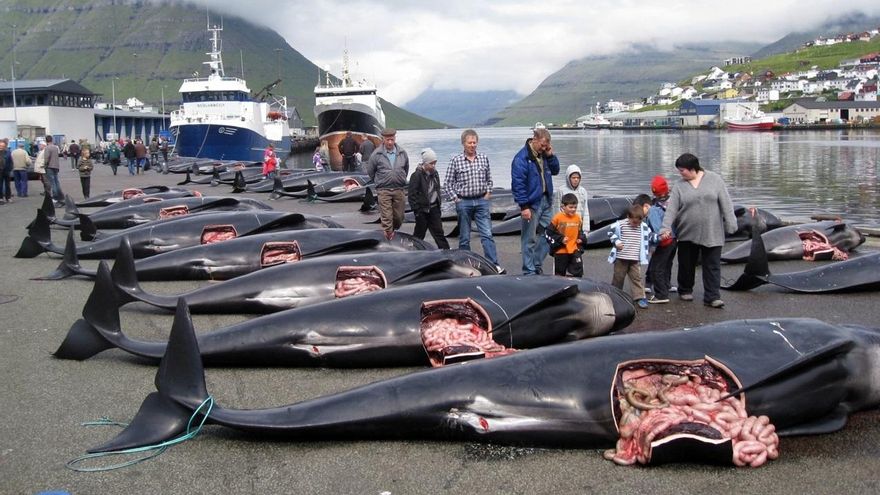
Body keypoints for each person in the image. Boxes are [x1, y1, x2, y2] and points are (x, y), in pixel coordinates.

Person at [659, 153, 737, 308]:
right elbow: (672, 209)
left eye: (682, 170)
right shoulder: (679, 186)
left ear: (692, 169)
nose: (680, 173)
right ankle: (685, 289)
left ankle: (712, 296)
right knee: (686, 264)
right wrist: (665, 228)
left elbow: (726, 203)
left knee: (712, 264)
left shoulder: (715, 180)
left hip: (712, 231)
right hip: (687, 231)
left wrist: (731, 223)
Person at [445, 129, 501, 269]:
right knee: (464, 236)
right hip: (464, 202)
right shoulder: (456, 160)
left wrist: (488, 192)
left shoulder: (483, 158)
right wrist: (455, 199)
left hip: (482, 201)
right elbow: (447, 183)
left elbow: (489, 179)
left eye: (474, 142)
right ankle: (466, 265)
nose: (472, 145)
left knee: (487, 234)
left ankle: (493, 264)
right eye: (469, 142)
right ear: (463, 143)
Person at [511, 127, 560, 275]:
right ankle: (529, 270)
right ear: (534, 140)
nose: (544, 148)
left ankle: (536, 263)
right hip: (531, 203)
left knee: (550, 233)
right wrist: (524, 206)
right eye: (542, 145)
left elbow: (556, 170)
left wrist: (551, 155)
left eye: (547, 146)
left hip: (546, 200)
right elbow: (518, 183)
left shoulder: (545, 155)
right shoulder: (521, 158)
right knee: (529, 238)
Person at [364, 128, 408, 240]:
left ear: (395, 139)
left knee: (399, 216)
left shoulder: (402, 153)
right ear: (383, 139)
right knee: (387, 216)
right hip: (383, 189)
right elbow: (370, 171)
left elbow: (406, 169)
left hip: (399, 188)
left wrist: (400, 178)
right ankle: (388, 235)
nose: (390, 142)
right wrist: (379, 181)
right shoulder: (376, 154)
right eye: (387, 140)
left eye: (392, 139)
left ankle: (393, 229)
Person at [608, 204, 655, 309]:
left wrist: (659, 237)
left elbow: (651, 235)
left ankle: (639, 297)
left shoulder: (643, 226)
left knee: (636, 278)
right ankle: (615, 295)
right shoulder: (620, 224)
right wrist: (616, 241)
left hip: (634, 259)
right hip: (621, 258)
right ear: (628, 217)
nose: (636, 225)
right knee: (618, 278)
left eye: (638, 223)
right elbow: (610, 232)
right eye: (634, 222)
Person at [407, 148, 450, 249]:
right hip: (422, 209)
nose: (433, 166)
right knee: (419, 233)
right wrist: (416, 210)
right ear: (425, 163)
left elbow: (437, 189)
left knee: (439, 232)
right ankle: (414, 251)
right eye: (431, 163)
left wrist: (438, 205)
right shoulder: (416, 175)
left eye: (435, 163)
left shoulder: (435, 174)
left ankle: (446, 251)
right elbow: (412, 194)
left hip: (434, 208)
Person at [646, 175, 676, 304]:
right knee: (667, 264)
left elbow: (658, 228)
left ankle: (661, 294)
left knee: (656, 267)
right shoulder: (674, 203)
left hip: (663, 240)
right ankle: (666, 285)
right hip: (674, 239)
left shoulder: (654, 210)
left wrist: (657, 238)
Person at [545, 193, 588, 277]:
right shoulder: (557, 218)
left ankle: (576, 288)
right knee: (560, 275)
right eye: (570, 207)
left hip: (574, 249)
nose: (573, 209)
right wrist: (561, 239)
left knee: (578, 272)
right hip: (561, 251)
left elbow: (580, 232)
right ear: (563, 207)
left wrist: (581, 239)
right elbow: (548, 233)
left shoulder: (578, 218)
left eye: (575, 207)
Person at [553, 164, 590, 240]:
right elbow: (556, 210)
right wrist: (557, 227)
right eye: (573, 177)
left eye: (578, 178)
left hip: (577, 224)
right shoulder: (561, 190)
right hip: (564, 225)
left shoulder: (583, 191)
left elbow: (585, 211)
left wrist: (586, 230)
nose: (576, 180)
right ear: (568, 178)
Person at [44, 135, 64, 206]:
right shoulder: (56, 147)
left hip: (50, 167)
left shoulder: (47, 148)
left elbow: (46, 158)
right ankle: (60, 196)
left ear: (46, 141)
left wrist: (44, 165)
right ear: (52, 140)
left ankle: (55, 197)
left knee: (52, 183)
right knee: (56, 182)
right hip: (56, 166)